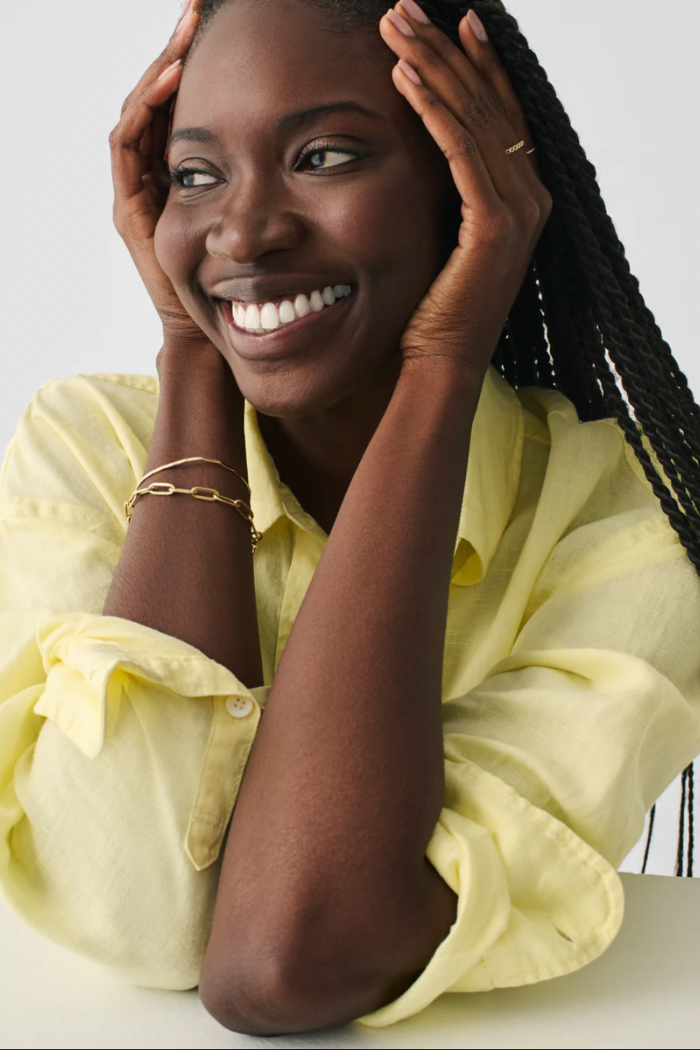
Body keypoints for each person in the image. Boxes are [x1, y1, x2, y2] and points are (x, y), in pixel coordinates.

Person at [1, 0, 699, 1036]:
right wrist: (189, 355)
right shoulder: (91, 447)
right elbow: (132, 916)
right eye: (195, 174)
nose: (244, 232)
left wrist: (442, 364)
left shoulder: (628, 525)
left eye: (323, 156)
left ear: (469, 187)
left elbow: (286, 962)